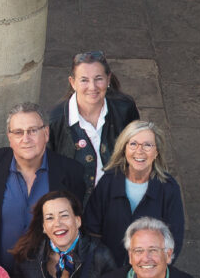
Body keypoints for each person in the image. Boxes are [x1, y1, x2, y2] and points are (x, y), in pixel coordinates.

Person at [0, 103, 86, 270]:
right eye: (18, 132)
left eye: (33, 131)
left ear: (46, 133)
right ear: (10, 137)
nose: (26, 139)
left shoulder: (71, 172)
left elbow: (76, 227)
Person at [83, 120, 185, 267]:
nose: (140, 150)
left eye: (147, 145)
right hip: (107, 272)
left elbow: (174, 238)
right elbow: (91, 231)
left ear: (156, 152)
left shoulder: (168, 188)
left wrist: (154, 269)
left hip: (149, 270)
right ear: (124, 148)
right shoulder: (108, 182)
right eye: (133, 144)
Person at [48, 51, 141, 201]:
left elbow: (138, 152)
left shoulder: (125, 108)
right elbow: (47, 171)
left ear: (108, 79)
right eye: (84, 80)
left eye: (98, 79)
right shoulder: (54, 120)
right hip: (75, 207)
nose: (92, 87)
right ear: (73, 83)